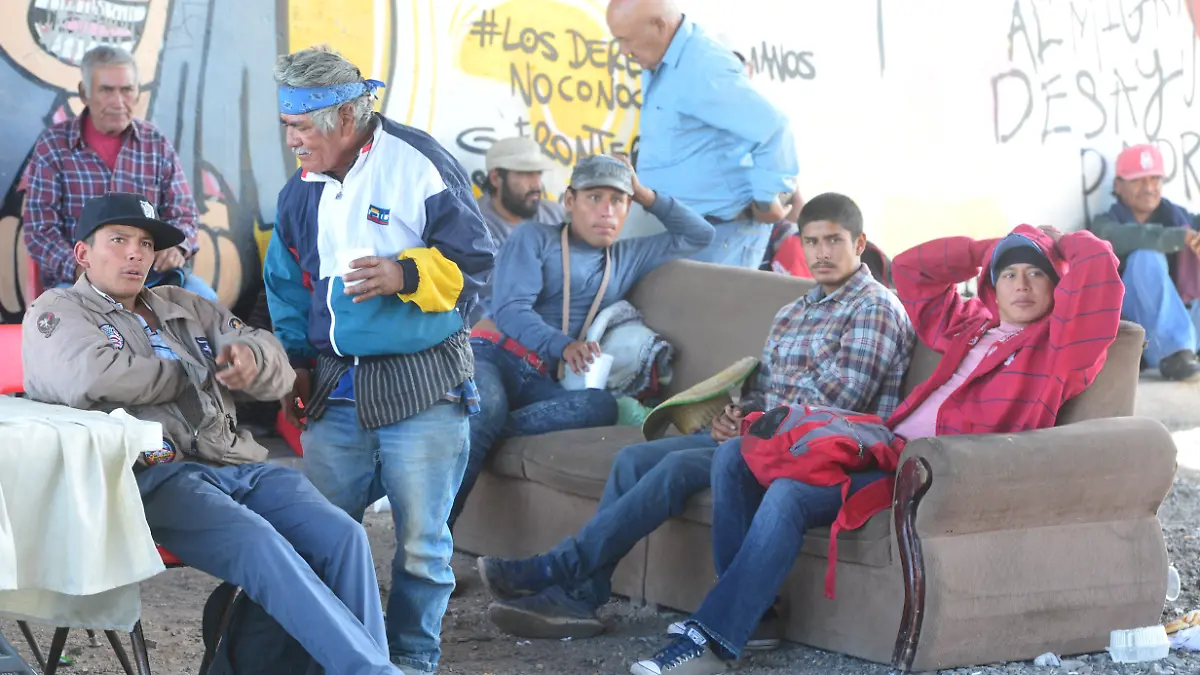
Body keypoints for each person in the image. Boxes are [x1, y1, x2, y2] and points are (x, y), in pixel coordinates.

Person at [630, 223, 1123, 674]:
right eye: (1009, 273)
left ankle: (713, 641)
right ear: (993, 286)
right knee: (734, 454)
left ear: (1057, 285)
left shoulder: (1060, 350)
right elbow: (911, 271)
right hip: (880, 444)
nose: (1022, 284)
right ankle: (752, 617)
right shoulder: (972, 325)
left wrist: (1061, 243)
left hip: (927, 473)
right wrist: (983, 250)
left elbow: (1100, 271)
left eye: (1036, 274)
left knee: (788, 494)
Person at [476, 193, 916, 642]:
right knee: (633, 459)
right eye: (812, 241)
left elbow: (840, 398)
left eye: (834, 241)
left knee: (673, 469)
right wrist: (736, 413)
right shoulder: (794, 311)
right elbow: (767, 389)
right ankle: (581, 596)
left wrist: (751, 421)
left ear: (859, 244)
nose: (822, 253)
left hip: (821, 453)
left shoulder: (874, 308)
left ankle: (558, 568)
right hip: (764, 438)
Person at [21, 192, 401, 675]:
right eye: (118, 240)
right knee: (260, 544)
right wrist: (200, 371)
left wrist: (250, 362)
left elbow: (266, 353)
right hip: (150, 477)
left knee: (343, 537)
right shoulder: (58, 310)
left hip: (236, 464)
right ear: (83, 253)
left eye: (145, 243)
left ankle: (367, 665)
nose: (135, 253)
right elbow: (91, 376)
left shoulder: (182, 304)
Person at [263, 46, 495, 675]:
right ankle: (333, 655)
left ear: (344, 117)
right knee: (319, 534)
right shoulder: (299, 193)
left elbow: (478, 266)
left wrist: (405, 273)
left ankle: (412, 661)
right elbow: (286, 284)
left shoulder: (419, 163)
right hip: (336, 386)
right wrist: (295, 362)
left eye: (302, 127)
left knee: (421, 547)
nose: (292, 140)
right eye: (287, 126)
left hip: (424, 384)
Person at [449, 154, 714, 531]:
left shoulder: (626, 256)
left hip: (543, 379)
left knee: (599, 405)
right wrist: (563, 345)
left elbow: (700, 235)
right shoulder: (534, 237)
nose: (607, 211)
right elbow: (510, 310)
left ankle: (477, 423)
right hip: (496, 354)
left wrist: (643, 193)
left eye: (618, 201)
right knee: (487, 404)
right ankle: (430, 549)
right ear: (570, 201)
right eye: (594, 198)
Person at [607, 0, 798, 269]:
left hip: (721, 231)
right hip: (675, 224)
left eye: (627, 40)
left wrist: (766, 200)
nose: (624, 51)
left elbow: (774, 128)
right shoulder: (661, 59)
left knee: (712, 300)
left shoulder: (703, 67)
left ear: (659, 26)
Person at [21, 45, 217, 301]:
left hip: (150, 278)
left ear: (137, 93)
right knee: (69, 321)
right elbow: (40, 230)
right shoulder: (54, 146)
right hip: (79, 281)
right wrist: (81, 267)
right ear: (84, 92)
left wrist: (178, 247)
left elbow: (184, 213)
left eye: (126, 90)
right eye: (106, 90)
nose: (118, 101)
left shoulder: (155, 143)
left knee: (206, 305)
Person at [1090, 144, 1200, 381]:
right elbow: (1122, 237)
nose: (1149, 188)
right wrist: (1179, 238)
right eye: (1138, 180)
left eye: (1155, 179)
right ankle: (1176, 352)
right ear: (1118, 185)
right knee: (1146, 257)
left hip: (1190, 333)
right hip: (1141, 334)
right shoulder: (1104, 225)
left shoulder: (1179, 218)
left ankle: (1185, 352)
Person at [470, 136, 566, 325]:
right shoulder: (474, 225)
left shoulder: (556, 214)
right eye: (525, 174)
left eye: (538, 173)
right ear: (496, 178)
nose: (536, 184)